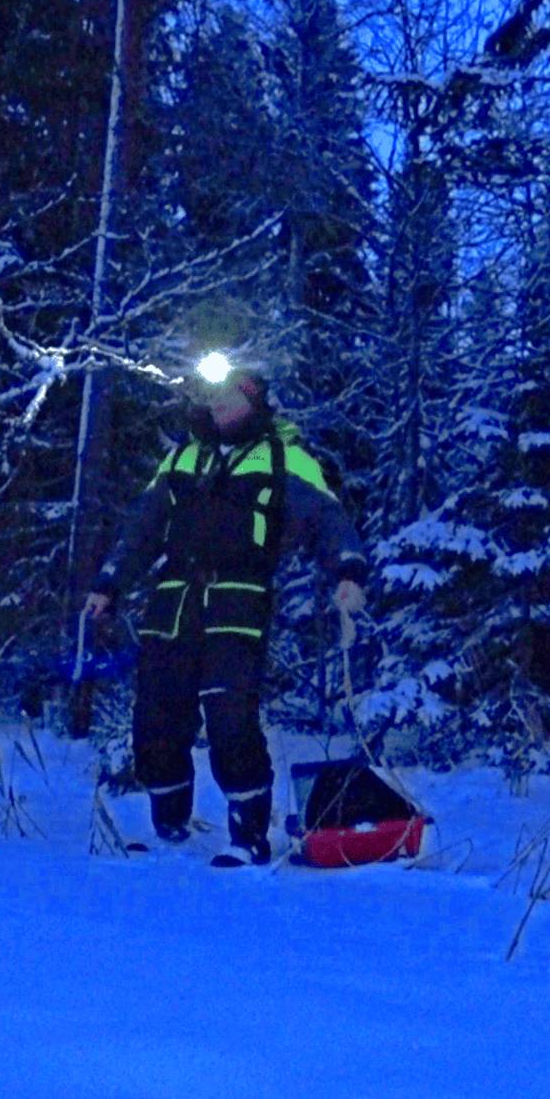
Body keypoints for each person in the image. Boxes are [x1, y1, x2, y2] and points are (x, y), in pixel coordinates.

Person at [85, 356, 370, 866]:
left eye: (226, 396)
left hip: (238, 601)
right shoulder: (181, 459)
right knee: (156, 714)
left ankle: (248, 835)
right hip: (172, 601)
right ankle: (169, 822)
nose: (214, 404)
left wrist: (348, 573)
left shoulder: (285, 459)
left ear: (252, 399)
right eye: (209, 396)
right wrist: (109, 582)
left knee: (230, 717)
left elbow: (328, 519)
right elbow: (141, 530)